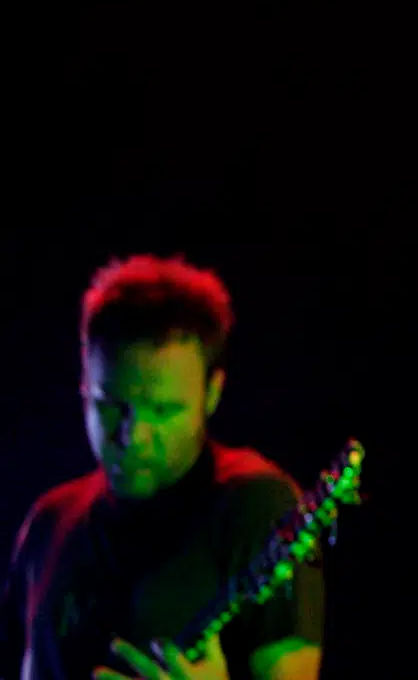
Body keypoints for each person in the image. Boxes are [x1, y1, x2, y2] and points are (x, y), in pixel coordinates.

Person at [0, 255, 324, 680]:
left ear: (212, 394)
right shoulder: (48, 522)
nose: (133, 437)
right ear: (83, 382)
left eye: (163, 410)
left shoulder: (258, 505)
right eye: (112, 405)